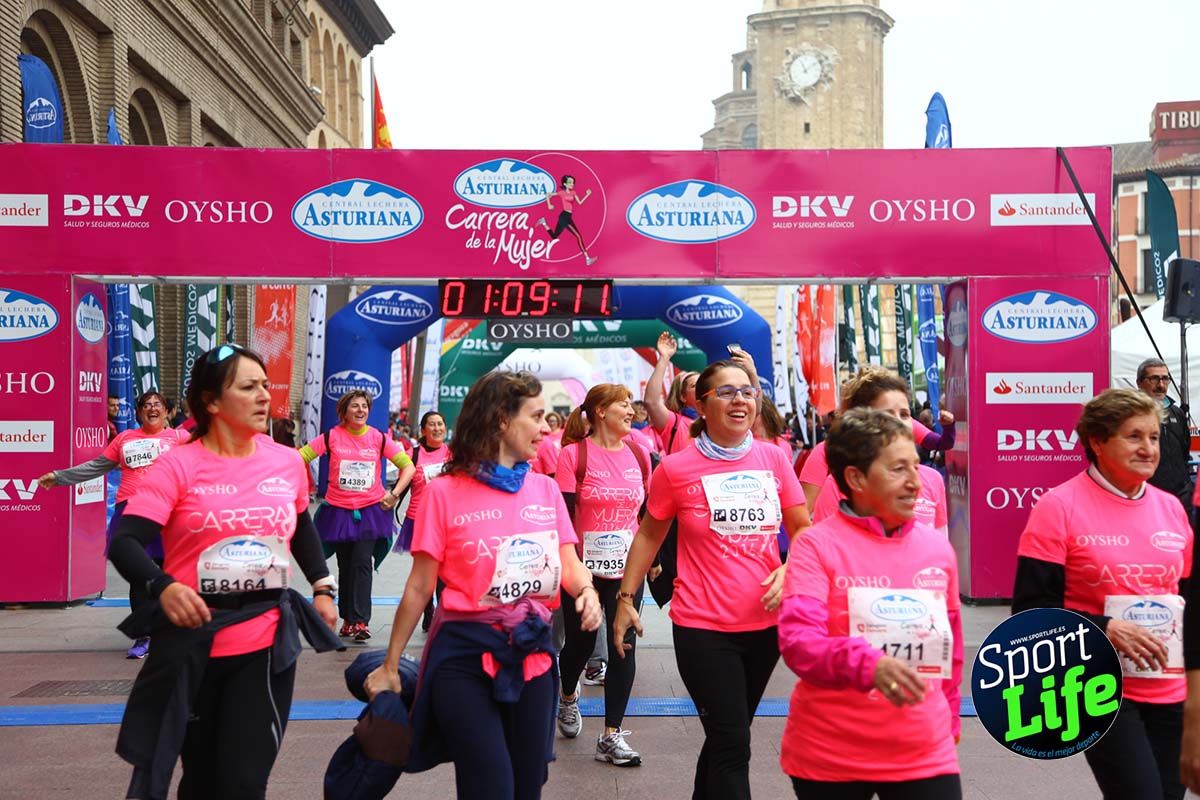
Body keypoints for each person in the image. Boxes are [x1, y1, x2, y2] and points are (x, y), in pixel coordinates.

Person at [107, 343, 340, 799]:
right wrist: (164, 586)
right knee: (200, 778)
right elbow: (125, 542)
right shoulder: (176, 465)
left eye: (264, 386)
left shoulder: (287, 462)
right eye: (248, 387)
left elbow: (301, 527)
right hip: (192, 642)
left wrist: (323, 587)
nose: (263, 397)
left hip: (264, 641)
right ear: (211, 402)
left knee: (243, 782)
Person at [364, 370, 602, 800]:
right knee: (489, 785)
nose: (547, 428)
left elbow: (570, 563)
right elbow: (419, 589)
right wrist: (389, 664)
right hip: (463, 655)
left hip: (533, 653)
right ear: (499, 421)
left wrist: (586, 592)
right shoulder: (443, 493)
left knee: (527, 785)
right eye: (536, 416)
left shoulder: (545, 491)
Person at [613, 359, 810, 799]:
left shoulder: (775, 459)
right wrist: (627, 599)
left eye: (746, 391)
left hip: (765, 625)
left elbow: (803, 530)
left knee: (727, 736)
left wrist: (792, 564)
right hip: (702, 626)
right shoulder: (676, 469)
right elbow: (648, 534)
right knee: (734, 743)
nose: (739, 399)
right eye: (725, 392)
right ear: (701, 405)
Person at [1014, 388, 1191, 800]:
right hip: (1099, 686)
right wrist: (1105, 627)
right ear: (1096, 442)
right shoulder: (1058, 507)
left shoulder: (1171, 508)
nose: (1148, 448)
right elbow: (1030, 614)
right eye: (1134, 436)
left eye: (1153, 437)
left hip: (1172, 689)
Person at [779, 408, 963, 799]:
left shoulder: (937, 550)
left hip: (924, 749)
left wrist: (948, 724)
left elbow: (951, 648)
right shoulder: (816, 545)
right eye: (898, 469)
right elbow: (798, 643)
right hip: (833, 753)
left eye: (916, 465)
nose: (917, 482)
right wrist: (869, 663)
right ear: (856, 477)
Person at [38, 390, 190, 659]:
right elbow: (96, 466)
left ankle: (170, 632)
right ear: (138, 412)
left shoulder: (180, 438)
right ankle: (143, 635)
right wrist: (60, 477)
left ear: (167, 412)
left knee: (171, 574)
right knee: (139, 577)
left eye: (157, 405)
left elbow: (207, 464)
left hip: (169, 513)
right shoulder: (125, 439)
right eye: (146, 405)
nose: (152, 409)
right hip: (131, 513)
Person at [553, 383, 651, 766]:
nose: (631, 410)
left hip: (627, 570)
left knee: (623, 643)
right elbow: (562, 517)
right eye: (623, 405)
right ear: (599, 412)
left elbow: (646, 515)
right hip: (582, 570)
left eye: (631, 405)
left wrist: (649, 559)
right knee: (579, 644)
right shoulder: (572, 456)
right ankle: (567, 697)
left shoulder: (640, 454)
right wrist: (570, 565)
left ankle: (611, 735)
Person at [300, 390, 415, 641]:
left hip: (371, 511)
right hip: (339, 512)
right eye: (355, 406)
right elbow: (300, 458)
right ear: (344, 411)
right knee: (345, 564)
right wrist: (296, 488)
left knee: (363, 562)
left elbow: (408, 466)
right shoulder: (331, 436)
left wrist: (394, 494)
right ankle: (348, 619)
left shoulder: (378, 438)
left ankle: (361, 621)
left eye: (364, 406)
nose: (361, 410)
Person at [808, 371, 948, 537]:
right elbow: (822, 546)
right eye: (887, 415)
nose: (898, 422)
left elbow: (940, 547)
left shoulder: (933, 480)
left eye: (904, 414)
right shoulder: (837, 485)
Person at [393, 410, 451, 632]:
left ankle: (443, 615)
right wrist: (392, 498)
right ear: (423, 430)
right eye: (432, 425)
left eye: (440, 424)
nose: (437, 428)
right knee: (426, 572)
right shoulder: (413, 454)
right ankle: (428, 612)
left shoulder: (453, 453)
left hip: (446, 520)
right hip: (420, 519)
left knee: (445, 572)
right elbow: (402, 482)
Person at [1137, 358, 1193, 515]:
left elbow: (1184, 450)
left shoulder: (1178, 413)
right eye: (1154, 378)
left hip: (1180, 495)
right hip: (1147, 495)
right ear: (1139, 383)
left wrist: (1186, 485)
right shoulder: (1130, 414)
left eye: (1165, 378)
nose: (1161, 385)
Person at [643, 331, 699, 458]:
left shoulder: (716, 420)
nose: (702, 388)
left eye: (704, 384)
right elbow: (651, 402)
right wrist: (664, 358)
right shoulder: (674, 422)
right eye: (695, 385)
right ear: (682, 396)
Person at [536, 174, 597, 266]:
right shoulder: (561, 192)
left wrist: (587, 195)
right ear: (565, 184)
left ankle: (543, 222)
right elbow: (547, 194)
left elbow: (580, 202)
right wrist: (549, 204)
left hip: (567, 216)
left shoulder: (573, 192)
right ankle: (587, 258)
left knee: (554, 236)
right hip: (564, 217)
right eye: (570, 182)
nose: (572, 184)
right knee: (578, 236)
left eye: (573, 182)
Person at [532, 411, 565, 475]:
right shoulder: (543, 436)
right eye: (550, 421)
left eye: (553, 421)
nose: (552, 423)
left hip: (559, 463)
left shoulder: (563, 433)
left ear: (558, 422)